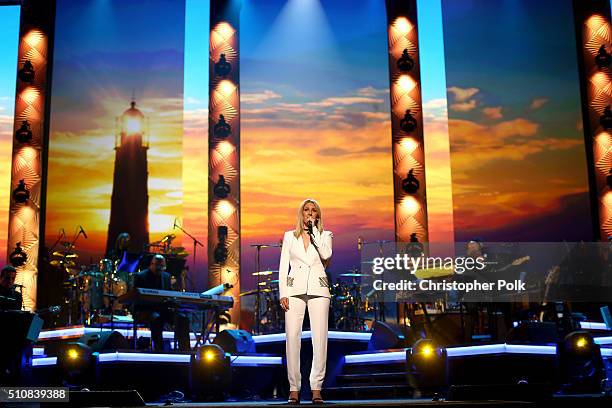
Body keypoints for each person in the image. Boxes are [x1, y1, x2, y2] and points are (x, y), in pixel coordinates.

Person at [279, 199, 333, 404]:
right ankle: (294, 388)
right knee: (292, 337)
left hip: (319, 289)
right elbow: (284, 265)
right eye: (306, 210)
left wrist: (315, 233)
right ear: (300, 214)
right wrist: (282, 292)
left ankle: (316, 388)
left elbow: (326, 254)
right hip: (294, 289)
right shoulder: (289, 237)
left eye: (314, 211)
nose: (310, 213)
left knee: (320, 339)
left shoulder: (325, 235)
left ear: (318, 215)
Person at [132, 255, 190, 351]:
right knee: (156, 318)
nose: (159, 269)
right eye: (157, 266)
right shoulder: (140, 276)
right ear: (151, 264)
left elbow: (169, 293)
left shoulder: (166, 276)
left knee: (182, 318)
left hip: (162, 309)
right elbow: (137, 298)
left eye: (162, 267)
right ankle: (159, 350)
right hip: (145, 310)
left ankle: (185, 350)